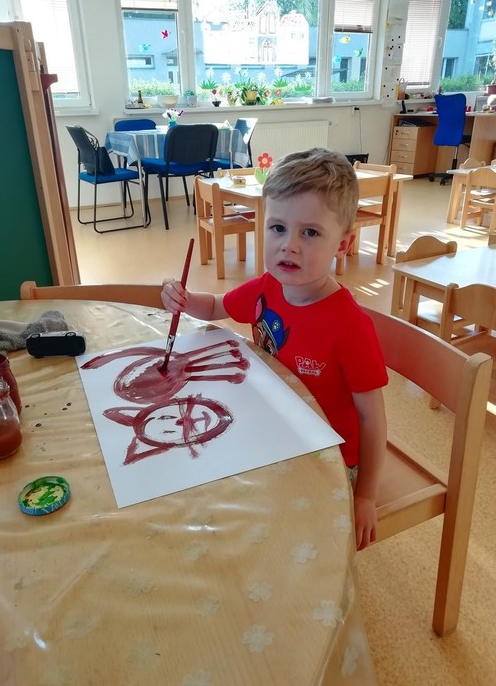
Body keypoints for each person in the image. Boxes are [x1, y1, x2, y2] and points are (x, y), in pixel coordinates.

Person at [162, 147, 388, 550]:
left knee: (267, 528)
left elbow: (373, 420)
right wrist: (182, 298)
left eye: (310, 233)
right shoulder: (268, 288)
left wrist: (366, 495)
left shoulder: (351, 327)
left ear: (343, 244)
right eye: (278, 228)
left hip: (329, 455)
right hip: (276, 423)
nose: (289, 246)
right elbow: (214, 307)